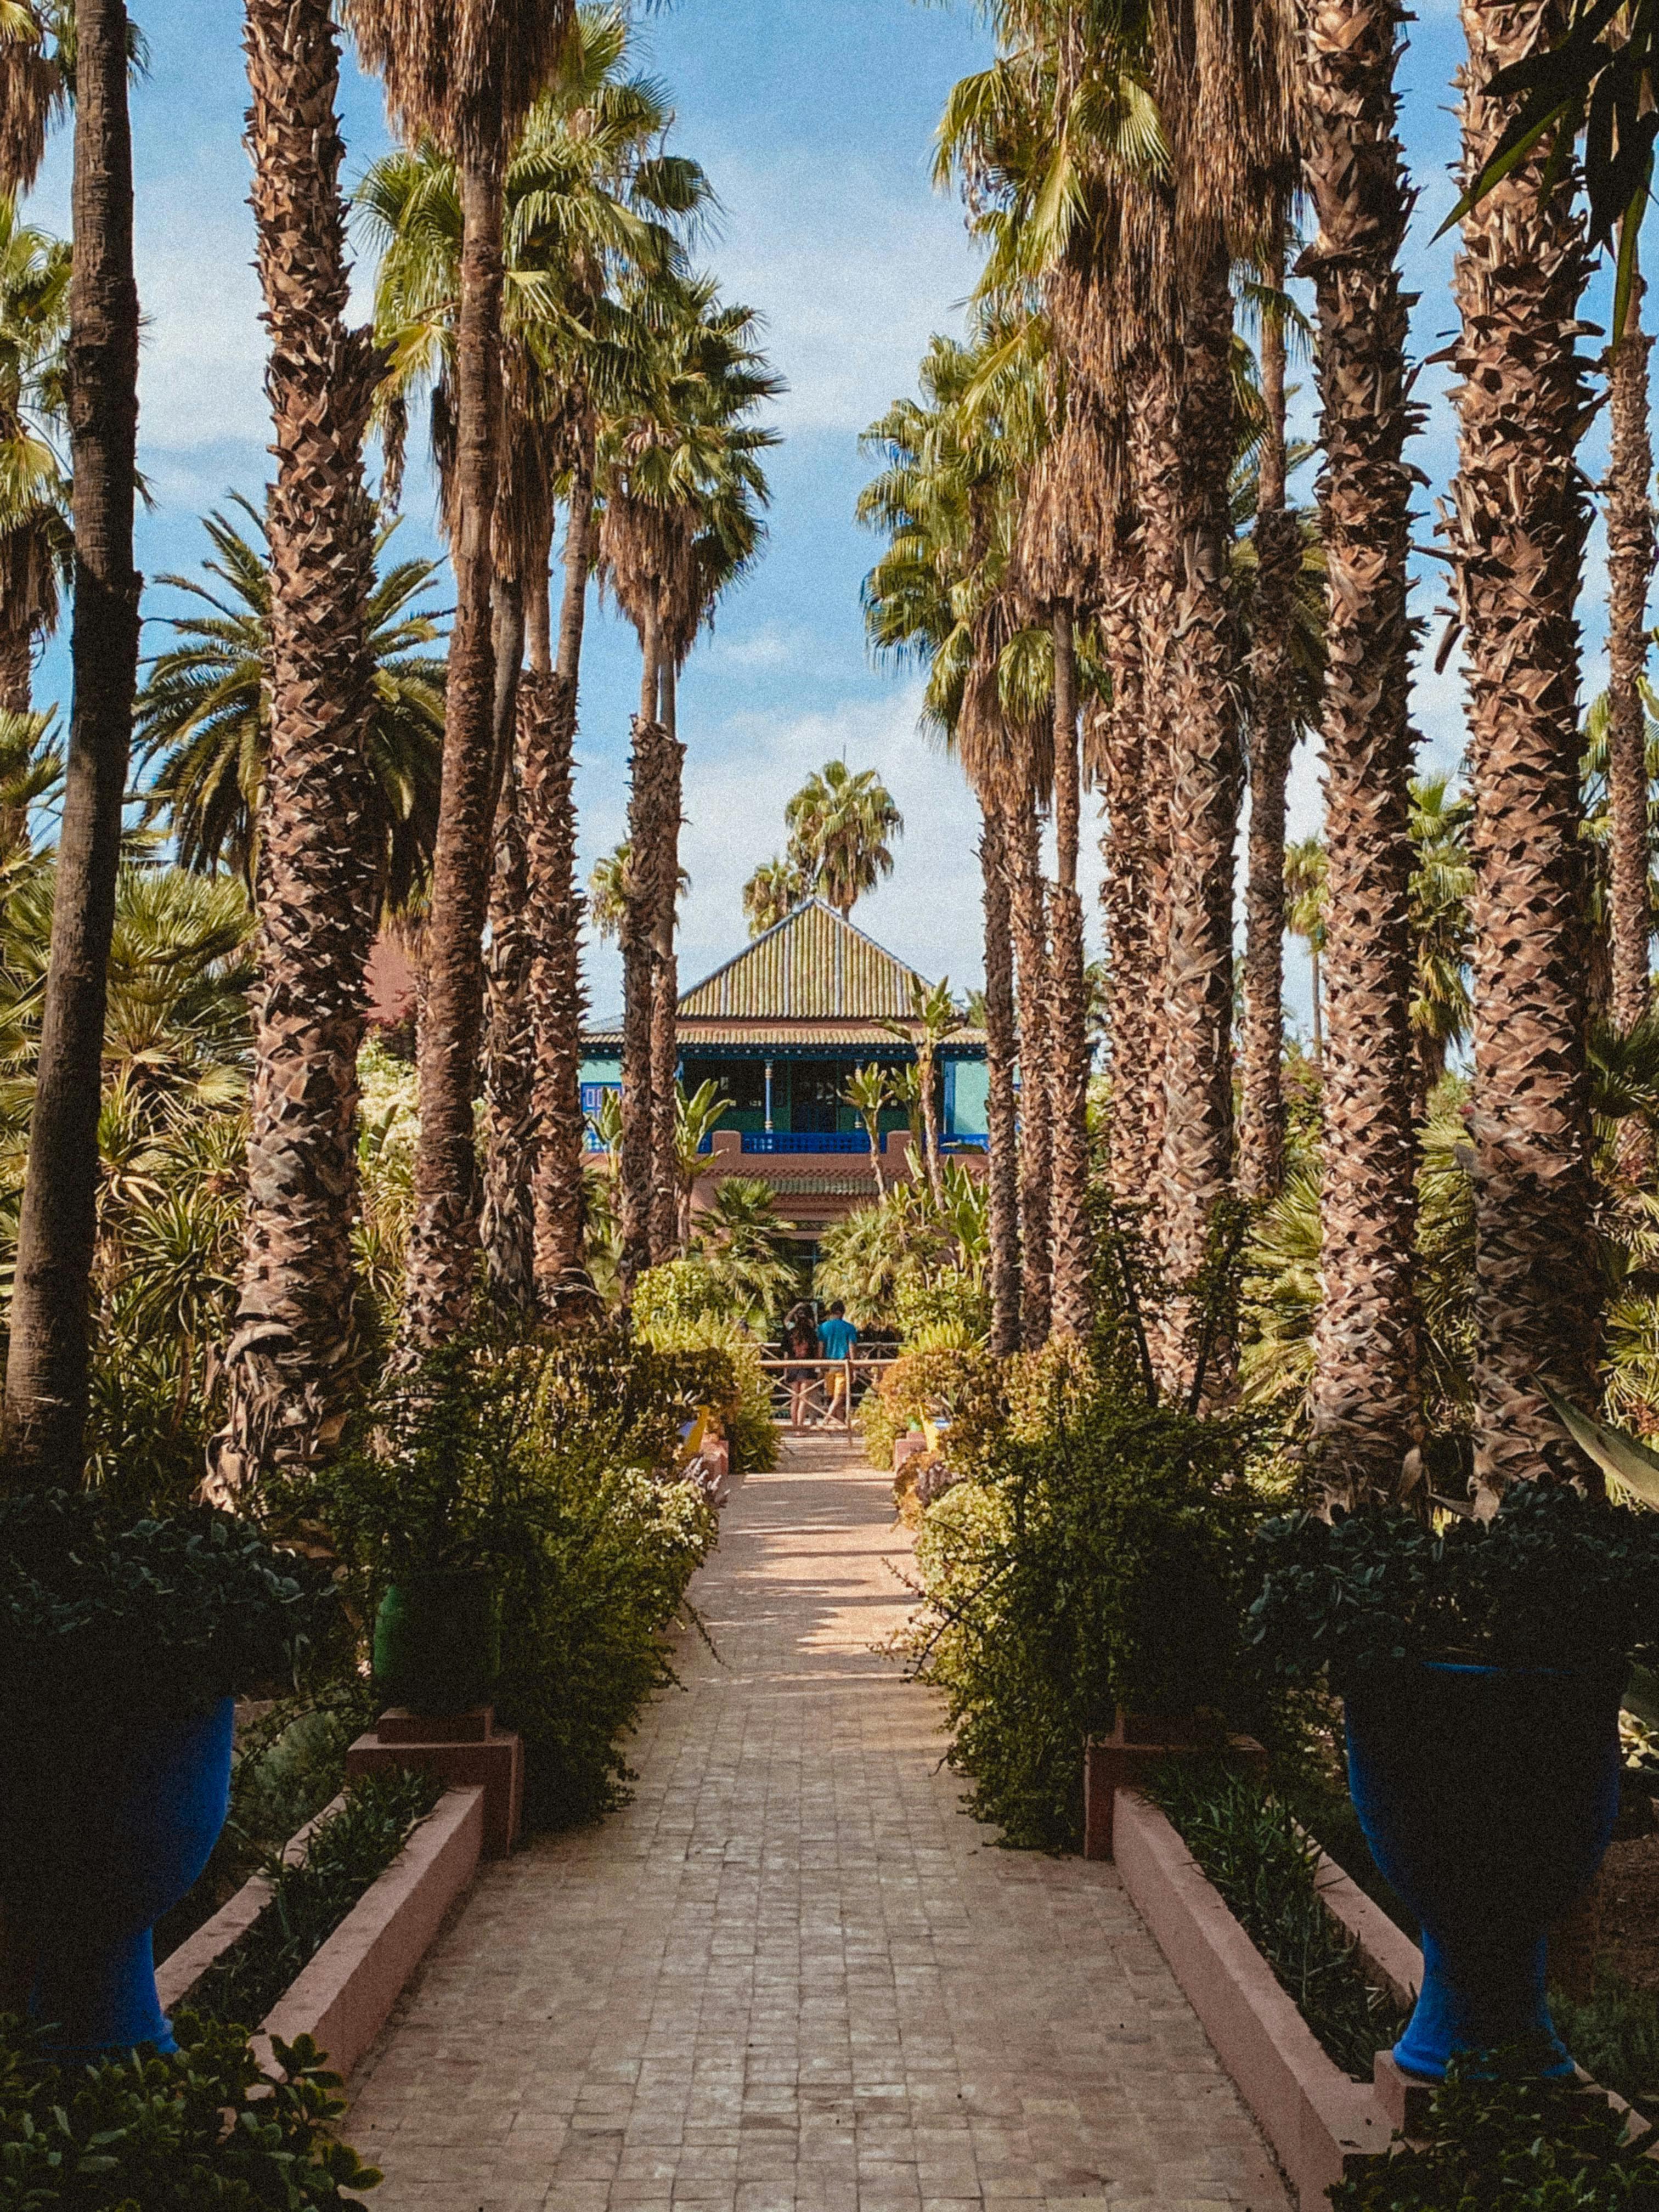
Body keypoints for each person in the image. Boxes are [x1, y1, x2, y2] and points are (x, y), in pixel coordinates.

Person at [816, 1300, 859, 1426]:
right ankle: (827, 1419)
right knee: (840, 1396)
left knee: (833, 1396)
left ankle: (840, 1422)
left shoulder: (823, 1327)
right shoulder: (849, 1328)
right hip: (842, 1364)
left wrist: (820, 1363)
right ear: (842, 1313)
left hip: (829, 1363)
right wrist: (855, 1367)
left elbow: (821, 1347)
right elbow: (852, 1346)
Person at [782, 1301, 819, 1430]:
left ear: (796, 1317)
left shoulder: (790, 1332)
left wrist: (795, 1308)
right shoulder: (812, 1332)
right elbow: (816, 1350)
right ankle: (800, 1428)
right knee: (804, 1399)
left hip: (792, 1366)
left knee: (794, 1399)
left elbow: (786, 1321)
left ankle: (794, 1427)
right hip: (808, 1367)